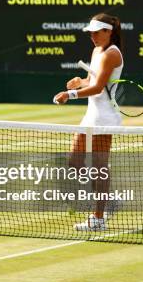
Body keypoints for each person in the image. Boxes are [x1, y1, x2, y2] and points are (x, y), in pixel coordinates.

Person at [53, 14, 124, 232]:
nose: (92, 36)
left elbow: (97, 87)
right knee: (74, 162)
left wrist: (70, 94)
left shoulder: (112, 54)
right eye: (90, 33)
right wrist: (79, 81)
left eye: (96, 32)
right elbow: (92, 82)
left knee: (99, 168)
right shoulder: (96, 51)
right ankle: (107, 199)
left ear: (108, 32)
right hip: (91, 115)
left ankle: (98, 218)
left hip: (105, 119)